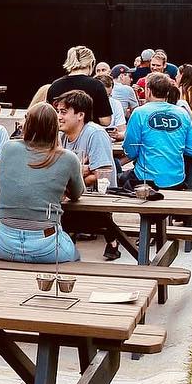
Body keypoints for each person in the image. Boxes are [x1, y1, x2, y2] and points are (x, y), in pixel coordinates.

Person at [0, 103, 85, 263]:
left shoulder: (8, 148)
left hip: (5, 244)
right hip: (46, 246)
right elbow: (77, 193)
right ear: (55, 127)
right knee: (74, 256)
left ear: (27, 124)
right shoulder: (68, 158)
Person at [54, 90, 122, 259]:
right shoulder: (62, 136)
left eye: (63, 112)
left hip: (99, 196)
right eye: (58, 112)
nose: (59, 117)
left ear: (80, 115)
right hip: (74, 194)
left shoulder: (95, 133)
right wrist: (79, 171)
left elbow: (102, 175)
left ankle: (113, 239)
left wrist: (76, 176)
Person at [122, 74, 192, 191]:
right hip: (176, 180)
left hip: (145, 179)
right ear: (168, 92)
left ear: (148, 90)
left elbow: (130, 150)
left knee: (120, 179)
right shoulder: (182, 113)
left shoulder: (139, 113)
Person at [46, 45, 115, 128]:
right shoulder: (97, 85)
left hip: (61, 135)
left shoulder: (54, 86)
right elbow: (106, 120)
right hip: (88, 135)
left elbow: (49, 117)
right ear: (91, 63)